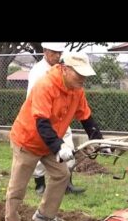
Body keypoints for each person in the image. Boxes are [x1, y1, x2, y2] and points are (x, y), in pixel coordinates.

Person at [4, 52, 106, 221]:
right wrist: (59, 146)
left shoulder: (76, 90)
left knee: (61, 175)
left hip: (50, 141)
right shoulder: (46, 85)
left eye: (85, 74)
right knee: (19, 183)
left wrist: (99, 140)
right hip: (28, 140)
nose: (83, 78)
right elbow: (41, 122)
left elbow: (86, 117)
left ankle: (45, 214)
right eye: (79, 74)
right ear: (65, 69)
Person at [27, 42, 85, 195]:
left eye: (60, 53)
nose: (58, 56)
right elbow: (32, 101)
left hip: (62, 120)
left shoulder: (63, 69)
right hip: (44, 121)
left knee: (68, 150)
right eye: (54, 52)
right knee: (41, 154)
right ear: (45, 51)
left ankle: (67, 183)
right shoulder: (38, 72)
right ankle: (39, 184)